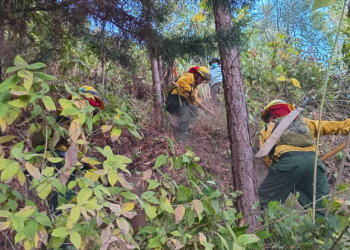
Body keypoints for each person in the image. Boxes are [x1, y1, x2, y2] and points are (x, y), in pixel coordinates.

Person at [258, 100, 350, 217]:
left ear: (270, 116)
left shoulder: (269, 127)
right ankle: (323, 232)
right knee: (321, 206)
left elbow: (265, 156)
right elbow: (333, 126)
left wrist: (279, 170)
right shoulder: (306, 123)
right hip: (314, 164)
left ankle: (262, 229)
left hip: (288, 162)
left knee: (265, 198)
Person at [166, 66, 211, 142]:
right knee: (185, 113)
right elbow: (181, 82)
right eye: (202, 79)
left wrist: (204, 108)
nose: (201, 81)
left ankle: (181, 125)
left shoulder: (194, 87)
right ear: (197, 74)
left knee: (195, 112)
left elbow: (195, 100)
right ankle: (181, 138)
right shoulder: (189, 75)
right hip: (175, 100)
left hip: (184, 102)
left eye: (203, 80)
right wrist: (190, 92)